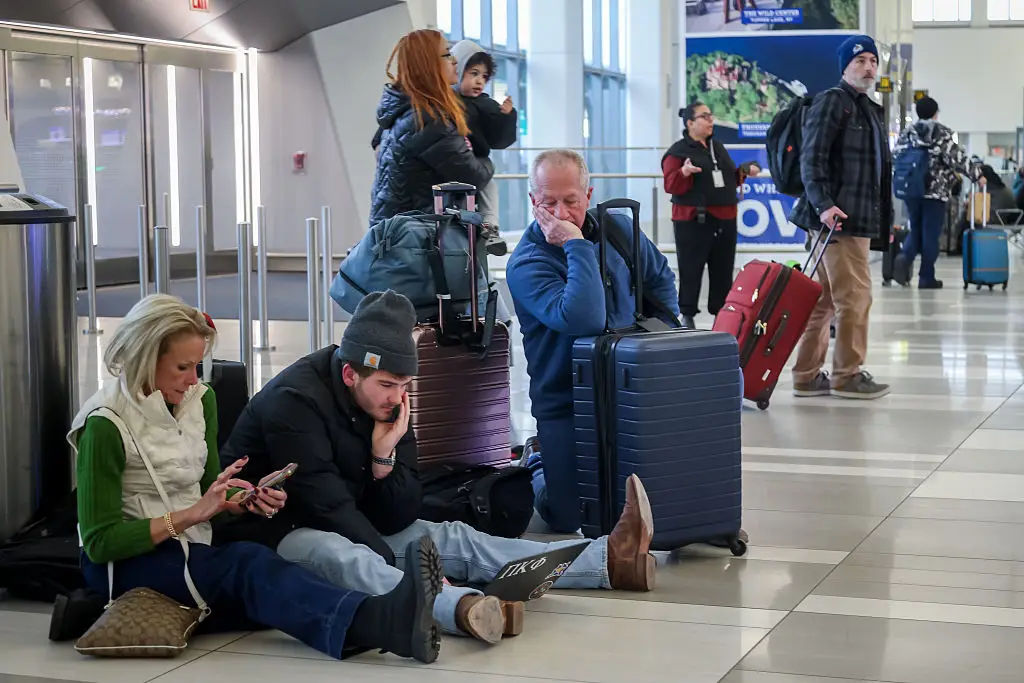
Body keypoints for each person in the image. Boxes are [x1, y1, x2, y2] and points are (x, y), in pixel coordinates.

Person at [219, 289, 660, 647]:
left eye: (405, 385)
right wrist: (424, 571)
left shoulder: (391, 404)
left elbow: (402, 511)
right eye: (387, 385)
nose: (396, 397)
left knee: (450, 535)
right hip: (278, 531)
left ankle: (609, 561)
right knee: (348, 557)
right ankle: (461, 607)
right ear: (351, 374)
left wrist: (383, 458)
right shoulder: (294, 402)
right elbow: (326, 507)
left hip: (347, 516)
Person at [68, 294, 443, 663]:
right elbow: (100, 543)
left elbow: (205, 487)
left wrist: (238, 497)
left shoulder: (200, 400)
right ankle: (378, 621)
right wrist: (193, 514)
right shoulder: (104, 425)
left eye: (198, 365)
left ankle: (377, 618)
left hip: (193, 540)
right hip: (130, 558)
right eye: (182, 368)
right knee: (247, 567)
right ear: (145, 358)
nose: (193, 379)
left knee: (260, 580)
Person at [505, 149, 679, 534]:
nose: (562, 213)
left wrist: (661, 336)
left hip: (628, 389)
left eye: (571, 201)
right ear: (533, 202)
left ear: (589, 195)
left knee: (643, 496)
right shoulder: (527, 263)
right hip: (566, 401)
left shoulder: (620, 229)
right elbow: (584, 319)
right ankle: (536, 458)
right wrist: (575, 244)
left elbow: (660, 279)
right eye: (548, 202)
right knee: (567, 518)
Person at [788, 34, 892, 400]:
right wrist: (823, 205)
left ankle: (805, 375)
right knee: (856, 299)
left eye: (873, 61)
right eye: (860, 60)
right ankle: (847, 375)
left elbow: (876, 174)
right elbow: (811, 158)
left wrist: (885, 219)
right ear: (845, 66)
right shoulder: (834, 101)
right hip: (837, 220)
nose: (868, 67)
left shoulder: (868, 108)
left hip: (851, 218)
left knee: (823, 302)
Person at [369, 29, 493, 225]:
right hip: (415, 239)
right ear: (428, 65)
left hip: (398, 233)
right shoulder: (428, 119)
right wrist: (486, 161)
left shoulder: (406, 111)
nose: (454, 61)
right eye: (447, 54)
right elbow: (472, 176)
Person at [663, 102, 760, 329]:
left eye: (711, 116)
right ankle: (687, 315)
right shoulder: (677, 152)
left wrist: (744, 171)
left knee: (723, 269)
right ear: (690, 123)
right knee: (690, 269)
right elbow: (670, 184)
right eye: (704, 116)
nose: (710, 120)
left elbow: (728, 177)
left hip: (725, 219)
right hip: (692, 221)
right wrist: (684, 172)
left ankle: (721, 315)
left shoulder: (717, 147)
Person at [891, 96, 967, 289]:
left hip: (911, 190)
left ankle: (904, 257)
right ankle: (926, 277)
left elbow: (895, 157)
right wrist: (978, 174)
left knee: (916, 229)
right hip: (935, 192)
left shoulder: (907, 132)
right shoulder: (942, 133)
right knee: (930, 234)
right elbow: (957, 158)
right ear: (936, 113)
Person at [449, 39, 518, 240]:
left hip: (475, 162)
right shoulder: (445, 102)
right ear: (458, 70)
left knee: (488, 187)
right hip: (458, 162)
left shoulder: (485, 105)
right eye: (473, 74)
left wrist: (506, 117)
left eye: (484, 76)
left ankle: (490, 227)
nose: (480, 81)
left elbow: (498, 140)